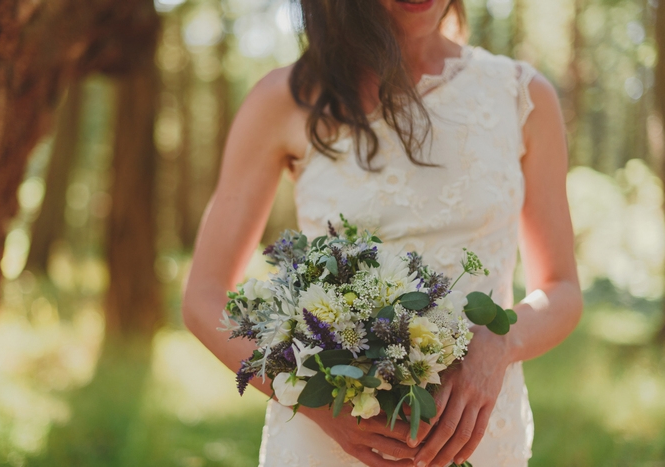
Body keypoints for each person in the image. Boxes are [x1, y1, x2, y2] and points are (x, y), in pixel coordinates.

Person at [182, 0, 583, 465]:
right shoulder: (287, 98)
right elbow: (204, 297)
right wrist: (305, 397)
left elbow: (561, 288)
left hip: (479, 437)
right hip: (331, 442)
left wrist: (500, 343)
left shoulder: (522, 96)